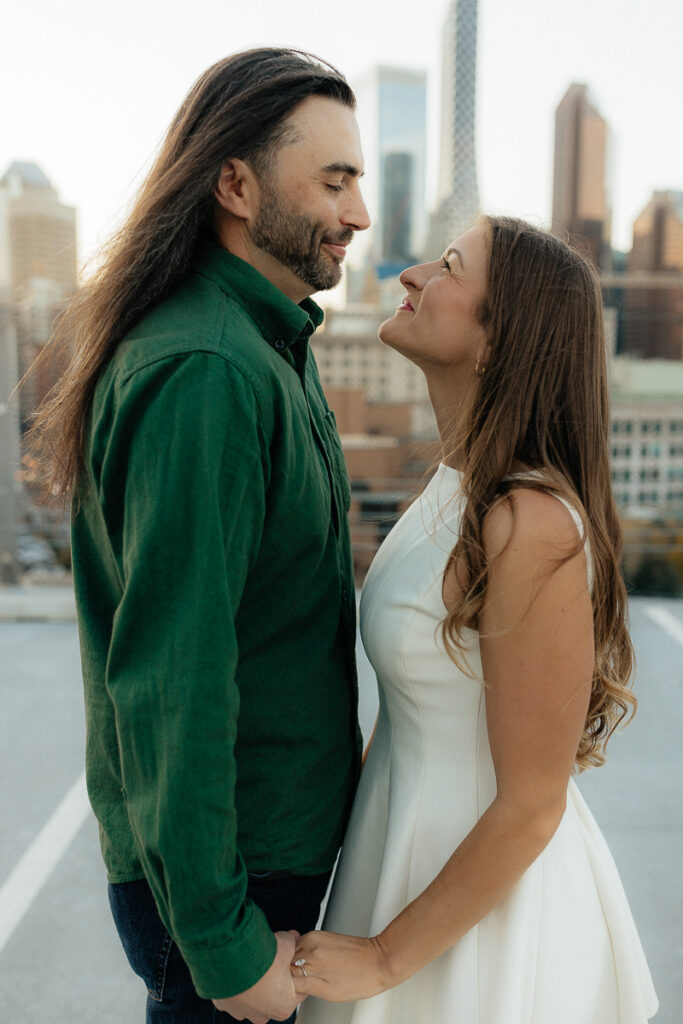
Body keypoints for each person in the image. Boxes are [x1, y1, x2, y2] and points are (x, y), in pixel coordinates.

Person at [25, 48, 369, 1024]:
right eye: (333, 181)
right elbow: (174, 676)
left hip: (264, 858)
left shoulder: (266, 340)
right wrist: (222, 946)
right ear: (235, 185)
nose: (358, 213)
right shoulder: (208, 368)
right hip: (232, 886)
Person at [292, 217, 659, 1023]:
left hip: (482, 916)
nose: (412, 274)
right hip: (398, 859)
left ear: (498, 341)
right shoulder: (453, 487)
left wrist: (385, 955)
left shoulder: (529, 521)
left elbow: (531, 802)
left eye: (450, 266)